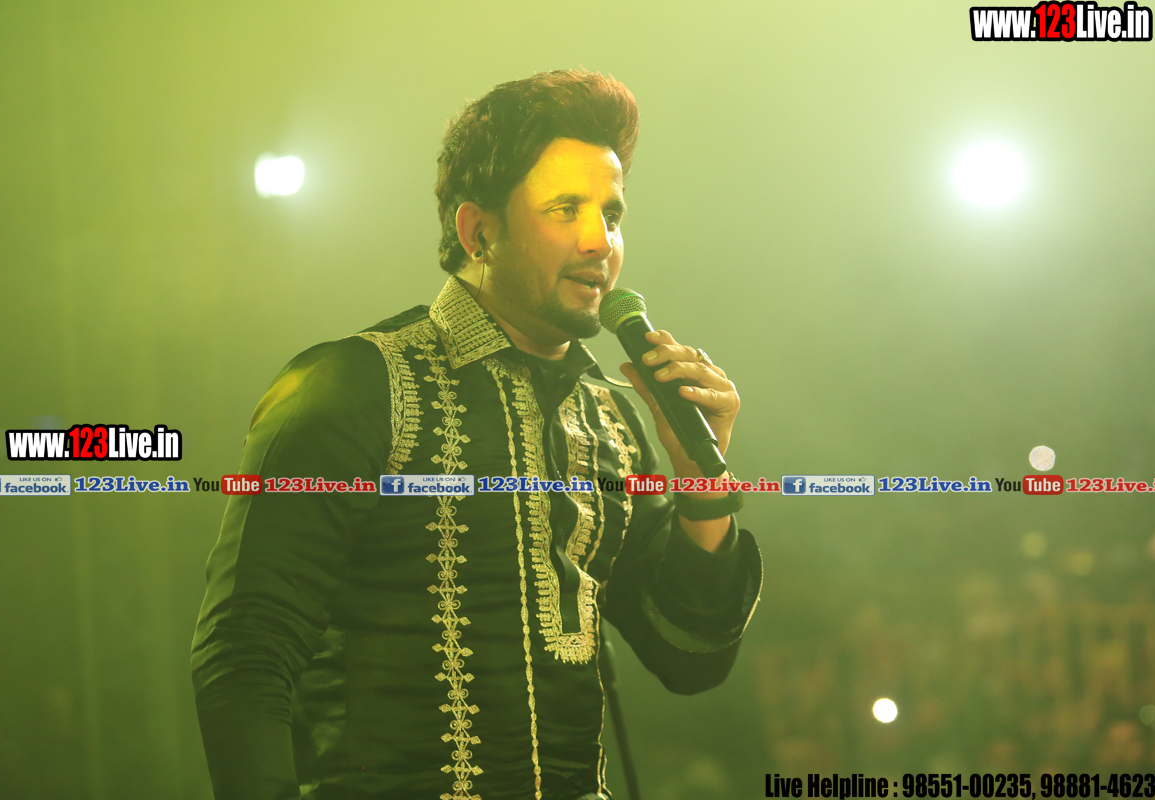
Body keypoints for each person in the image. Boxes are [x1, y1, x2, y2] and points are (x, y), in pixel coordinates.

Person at [191, 68, 763, 800]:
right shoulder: (356, 385)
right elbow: (244, 652)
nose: (601, 241)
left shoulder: (615, 422)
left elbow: (689, 659)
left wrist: (701, 484)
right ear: (478, 231)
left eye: (612, 214)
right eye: (566, 209)